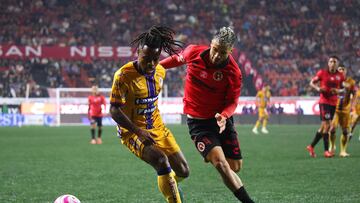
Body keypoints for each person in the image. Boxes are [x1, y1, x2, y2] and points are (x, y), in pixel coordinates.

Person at [160, 27, 254, 203]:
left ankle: (176, 176)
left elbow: (233, 102)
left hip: (221, 121)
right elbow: (175, 60)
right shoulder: (193, 52)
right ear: (211, 44)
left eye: (223, 52)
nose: (217, 55)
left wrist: (224, 115)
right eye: (215, 49)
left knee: (234, 167)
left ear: (231, 51)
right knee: (221, 164)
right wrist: (155, 67)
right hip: (199, 124)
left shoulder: (234, 72)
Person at [109, 26, 189, 203]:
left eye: (155, 59)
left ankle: (170, 185)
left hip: (158, 128)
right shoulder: (123, 75)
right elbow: (114, 109)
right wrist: (138, 131)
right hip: (132, 133)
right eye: (146, 59)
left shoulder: (160, 71)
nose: (151, 64)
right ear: (138, 53)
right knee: (161, 160)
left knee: (183, 171)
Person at [306, 56, 345, 158]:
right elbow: (311, 83)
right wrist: (318, 89)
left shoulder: (340, 76)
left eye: (334, 62)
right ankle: (326, 151)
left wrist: (338, 91)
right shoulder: (322, 73)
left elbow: (343, 88)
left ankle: (311, 146)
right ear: (328, 63)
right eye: (331, 61)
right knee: (327, 126)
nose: (332, 63)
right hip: (324, 102)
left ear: (337, 64)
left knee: (323, 127)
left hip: (333, 103)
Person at [328, 65, 356, 157]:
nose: (340, 71)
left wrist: (353, 106)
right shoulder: (333, 81)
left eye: (342, 70)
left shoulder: (351, 81)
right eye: (339, 70)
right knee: (332, 129)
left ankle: (343, 151)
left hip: (346, 111)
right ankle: (331, 146)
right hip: (335, 110)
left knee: (345, 131)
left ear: (345, 71)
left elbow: (354, 94)